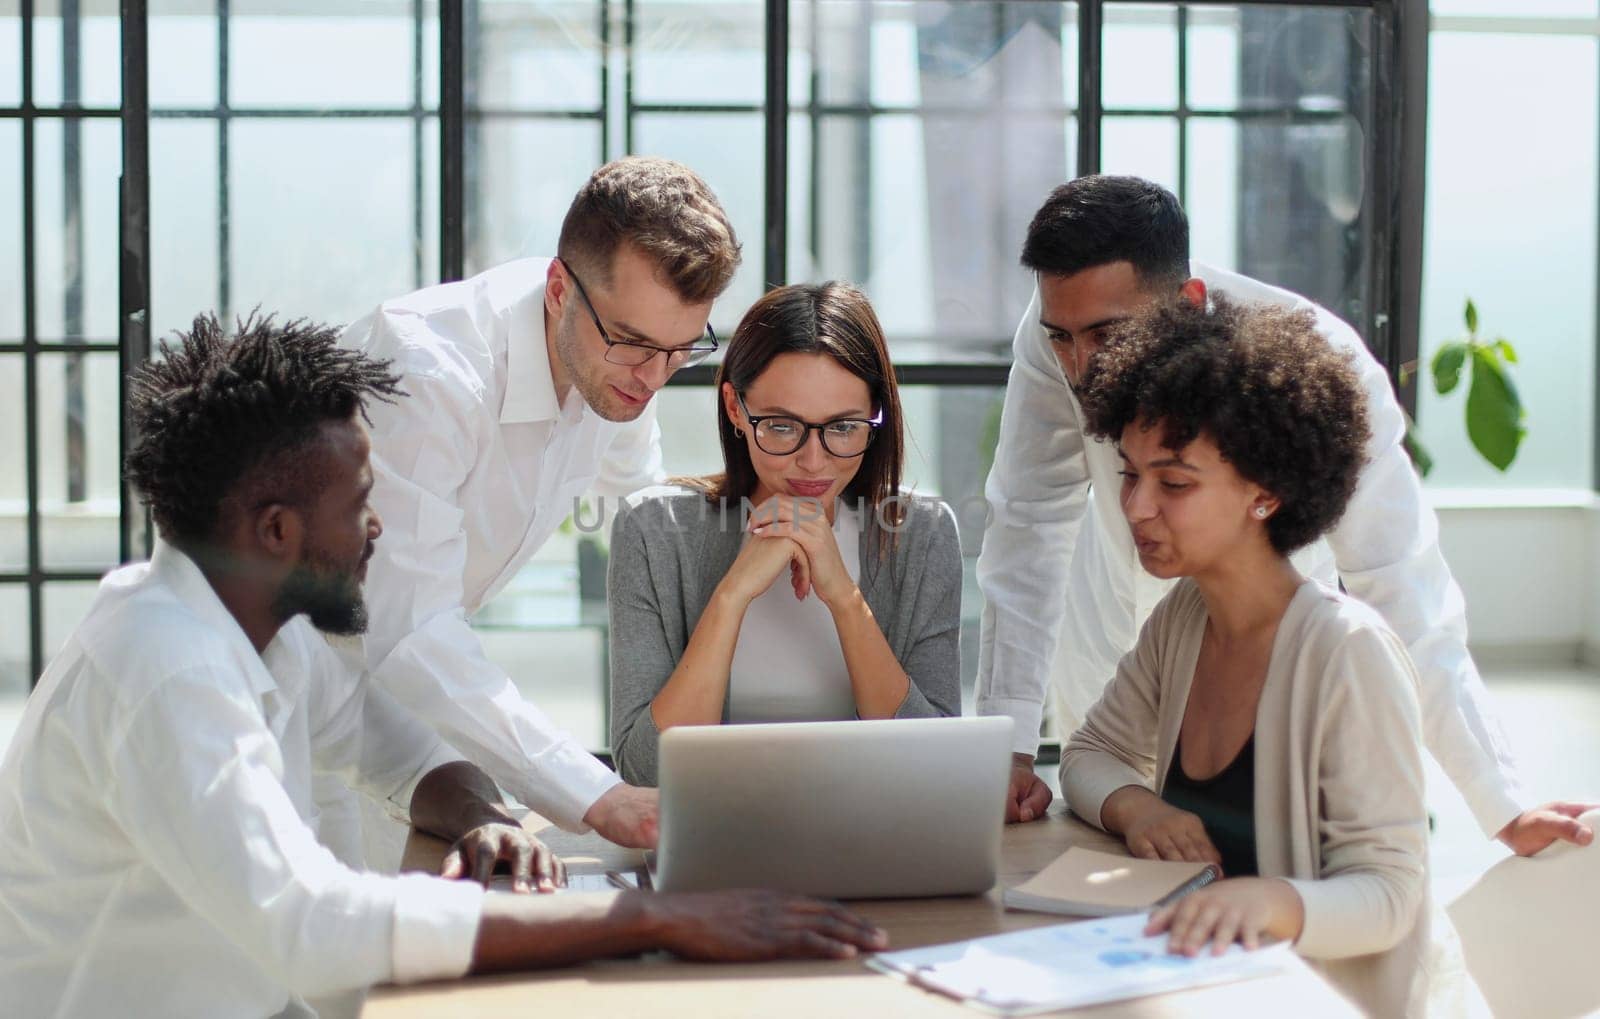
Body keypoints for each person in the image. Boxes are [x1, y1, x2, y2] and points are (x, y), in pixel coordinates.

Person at [0, 315, 887, 1017]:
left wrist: (483, 815)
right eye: (360, 503)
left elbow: (393, 747)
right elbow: (312, 925)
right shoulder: (168, 669)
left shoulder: (263, 626)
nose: (380, 528)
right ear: (275, 531)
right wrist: (648, 916)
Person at [978, 175, 1597, 854]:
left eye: (1104, 334)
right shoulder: (1057, 342)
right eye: (1060, 337)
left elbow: (1400, 583)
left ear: (1186, 301)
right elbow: (1028, 525)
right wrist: (1007, 741)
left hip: (1273, 667)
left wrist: (1502, 803)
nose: (1079, 365)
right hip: (1107, 665)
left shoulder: (1315, 363)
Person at [1059, 296, 1476, 1016]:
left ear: (1266, 492)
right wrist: (1139, 809)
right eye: (1130, 474)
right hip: (1210, 991)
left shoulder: (1349, 653)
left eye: (1174, 482)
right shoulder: (1184, 619)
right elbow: (1089, 751)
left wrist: (1269, 901)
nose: (1136, 507)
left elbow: (1389, 893)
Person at [339, 156, 742, 850]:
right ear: (560, 288)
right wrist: (595, 792)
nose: (653, 378)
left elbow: (641, 510)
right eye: (636, 343)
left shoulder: (620, 369)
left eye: (682, 350)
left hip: (394, 714)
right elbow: (410, 628)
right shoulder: (431, 376)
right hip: (276, 703)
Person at [608, 283, 962, 786]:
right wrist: (731, 596)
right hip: (716, 840)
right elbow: (648, 771)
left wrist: (842, 595)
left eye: (843, 428)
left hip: (876, 839)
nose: (813, 461)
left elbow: (938, 765)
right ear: (735, 408)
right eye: (780, 426)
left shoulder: (923, 535)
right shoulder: (654, 531)